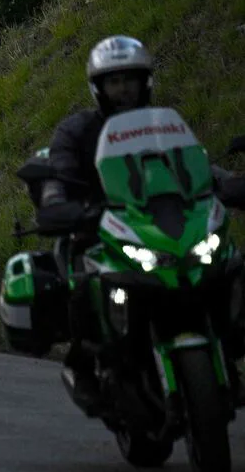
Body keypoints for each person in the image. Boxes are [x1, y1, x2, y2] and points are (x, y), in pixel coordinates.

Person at [39, 35, 245, 411]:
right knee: (82, 281)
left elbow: (194, 166)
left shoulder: (164, 126)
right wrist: (58, 202)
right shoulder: (77, 131)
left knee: (229, 262)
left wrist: (227, 183)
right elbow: (59, 174)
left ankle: (230, 337)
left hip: (164, 225)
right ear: (98, 88)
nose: (123, 90)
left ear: (145, 82)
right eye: (114, 82)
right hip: (99, 228)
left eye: (129, 80)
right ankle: (84, 364)